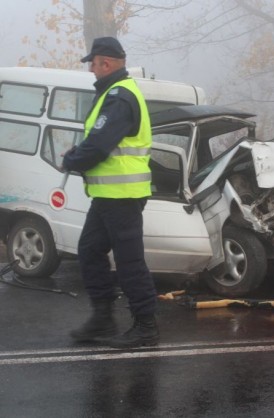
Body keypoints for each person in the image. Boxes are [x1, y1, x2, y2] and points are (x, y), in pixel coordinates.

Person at [63, 37, 158, 348]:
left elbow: (100, 145)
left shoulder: (118, 97)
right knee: (90, 250)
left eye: (93, 63)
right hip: (108, 196)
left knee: (130, 261)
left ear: (105, 63)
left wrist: (72, 159)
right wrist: (81, 153)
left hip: (124, 196)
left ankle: (146, 327)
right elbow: (102, 140)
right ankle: (103, 319)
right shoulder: (113, 95)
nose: (91, 69)